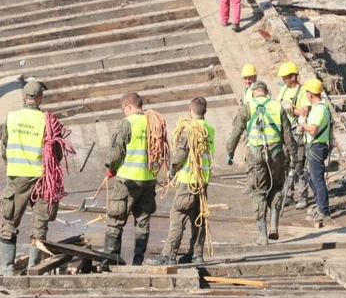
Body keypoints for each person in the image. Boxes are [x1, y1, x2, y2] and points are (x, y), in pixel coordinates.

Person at [0, 80, 63, 275]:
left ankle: (7, 268)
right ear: (40, 98)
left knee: (9, 221)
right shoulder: (48, 120)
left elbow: (4, 148)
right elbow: (57, 154)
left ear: (24, 97)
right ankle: (34, 268)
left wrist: (14, 164)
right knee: (39, 224)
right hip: (42, 179)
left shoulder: (12, 118)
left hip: (17, 178)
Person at [225, 79, 293, 244]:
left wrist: (230, 153)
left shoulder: (247, 107)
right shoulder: (277, 106)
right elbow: (288, 135)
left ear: (254, 92)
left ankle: (263, 236)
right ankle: (274, 226)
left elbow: (236, 132)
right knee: (276, 187)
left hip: (255, 154)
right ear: (267, 92)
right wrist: (293, 155)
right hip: (276, 153)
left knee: (258, 191)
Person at [149, 97, 214, 265]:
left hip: (187, 182)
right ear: (205, 111)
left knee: (177, 216)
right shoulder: (210, 129)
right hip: (202, 182)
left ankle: (168, 255)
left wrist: (171, 171)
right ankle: (196, 254)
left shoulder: (188, 131)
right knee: (198, 218)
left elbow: (180, 156)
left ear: (190, 110)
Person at [103, 92, 164, 266]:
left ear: (129, 106)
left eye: (123, 109)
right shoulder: (154, 122)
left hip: (128, 181)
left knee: (116, 219)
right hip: (148, 180)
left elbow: (117, 152)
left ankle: (110, 260)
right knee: (143, 221)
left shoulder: (127, 123)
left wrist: (110, 169)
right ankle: (138, 262)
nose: (124, 112)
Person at [298, 79, 334, 222]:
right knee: (308, 175)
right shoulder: (320, 106)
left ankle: (323, 210)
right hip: (315, 146)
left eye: (307, 92)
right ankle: (320, 204)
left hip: (316, 147)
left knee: (317, 180)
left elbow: (313, 130)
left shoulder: (319, 109)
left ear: (310, 94)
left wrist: (302, 123)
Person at [275, 62, 310, 208]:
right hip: (284, 131)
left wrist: (291, 109)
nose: (283, 80)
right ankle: (288, 193)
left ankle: (303, 196)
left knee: (298, 163)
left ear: (293, 77)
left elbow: (305, 111)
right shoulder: (283, 89)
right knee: (284, 163)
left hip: (297, 131)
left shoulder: (302, 92)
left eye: (285, 78)